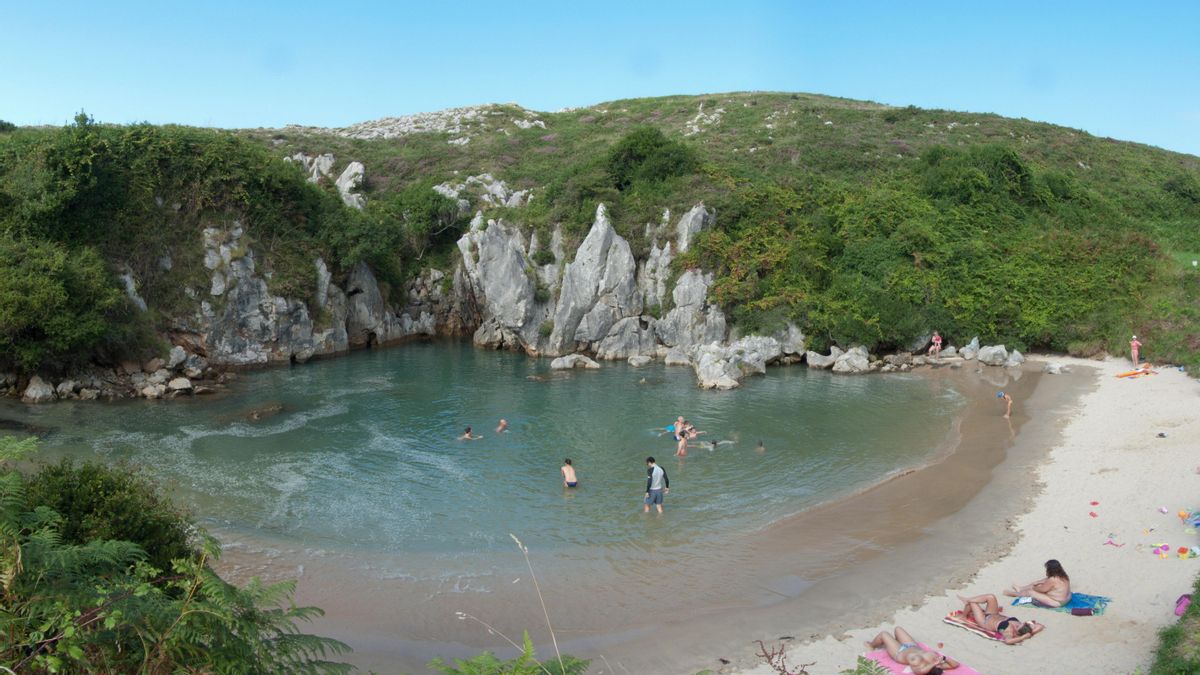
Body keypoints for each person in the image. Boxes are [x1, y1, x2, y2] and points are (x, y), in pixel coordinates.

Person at [957, 594, 1044, 645]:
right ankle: (968, 600)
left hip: (984, 621)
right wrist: (1030, 632)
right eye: (1021, 623)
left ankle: (964, 615)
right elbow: (1041, 626)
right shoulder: (1024, 627)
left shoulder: (1008, 631)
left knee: (973, 603)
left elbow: (1008, 641)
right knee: (991, 596)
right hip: (993, 614)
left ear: (1017, 631)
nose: (1017, 624)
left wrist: (1024, 637)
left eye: (1017, 626)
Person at [865, 627, 958, 674]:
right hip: (911, 645)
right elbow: (955, 664)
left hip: (899, 652)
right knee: (898, 629)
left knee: (883, 634)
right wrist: (944, 658)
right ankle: (894, 642)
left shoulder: (920, 668)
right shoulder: (937, 663)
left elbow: (920, 671)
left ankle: (871, 645)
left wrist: (932, 664)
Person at [1004, 559, 1072, 607]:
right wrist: (1037, 582)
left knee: (1030, 592)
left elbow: (1042, 590)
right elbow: (1047, 580)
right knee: (1038, 583)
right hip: (1067, 598)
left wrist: (1034, 587)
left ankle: (1012, 593)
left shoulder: (1052, 580)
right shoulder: (1063, 575)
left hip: (1058, 602)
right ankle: (1020, 588)